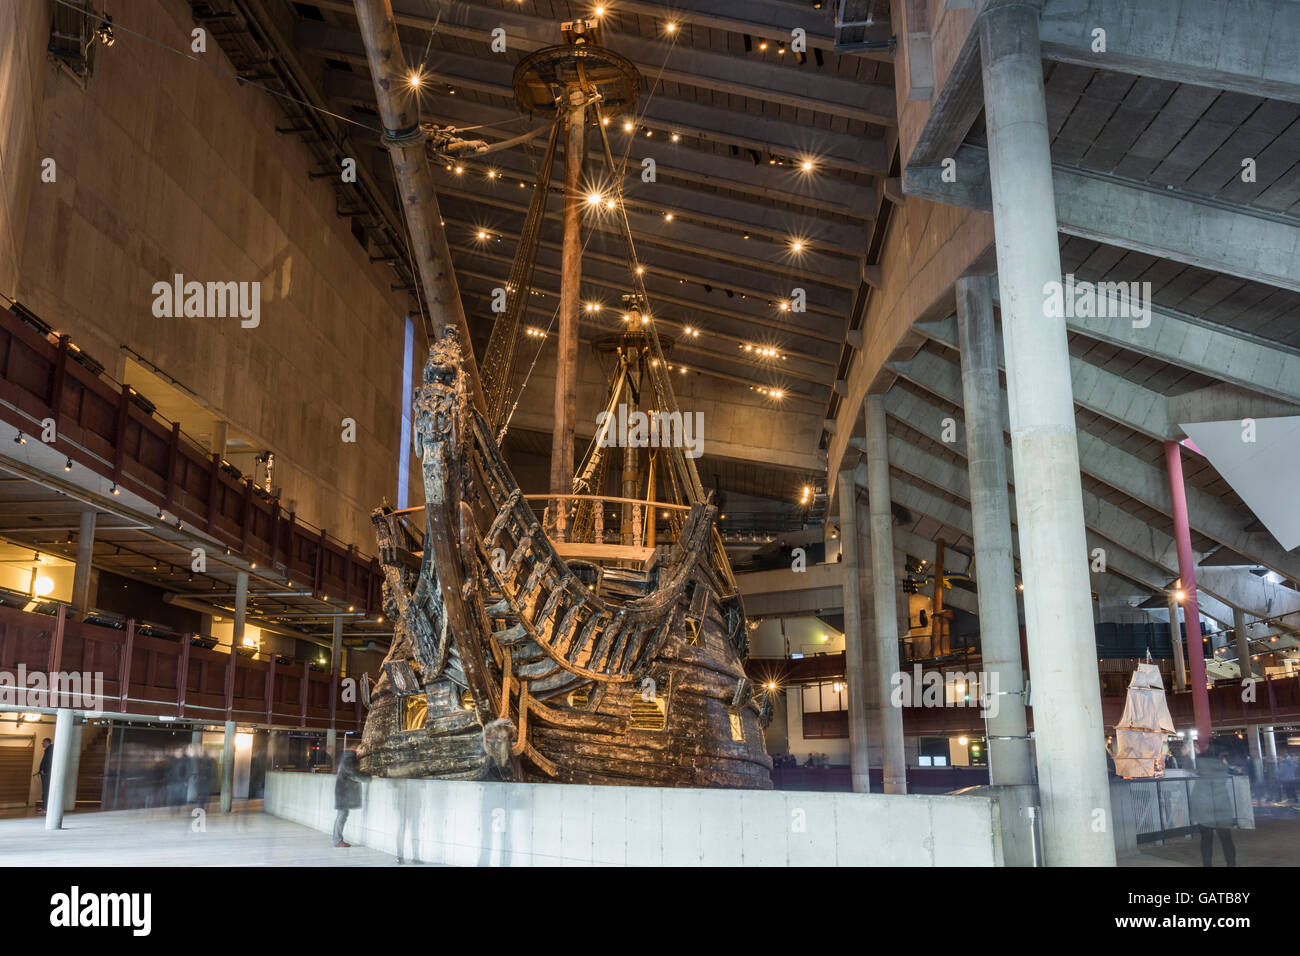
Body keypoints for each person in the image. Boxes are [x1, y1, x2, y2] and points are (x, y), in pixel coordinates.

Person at [1190, 742, 1237, 867]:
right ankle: (1231, 864)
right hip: (1222, 808)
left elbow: (1196, 796)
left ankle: (1207, 865)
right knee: (1226, 839)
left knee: (1206, 839)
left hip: (1206, 811)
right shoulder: (1223, 768)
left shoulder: (1202, 772)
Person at [333, 749, 371, 848]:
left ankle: (337, 840)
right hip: (344, 793)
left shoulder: (346, 759)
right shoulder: (349, 759)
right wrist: (368, 778)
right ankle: (337, 840)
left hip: (342, 792)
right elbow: (353, 774)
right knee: (342, 816)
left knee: (342, 815)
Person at [33, 738, 52, 813]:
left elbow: (49, 761)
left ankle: (45, 808)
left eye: (43, 742)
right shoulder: (48, 750)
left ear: (47, 742)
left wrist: (45, 770)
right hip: (45, 773)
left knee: (46, 791)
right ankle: (45, 807)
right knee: (45, 791)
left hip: (46, 774)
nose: (42, 744)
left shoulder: (50, 750)